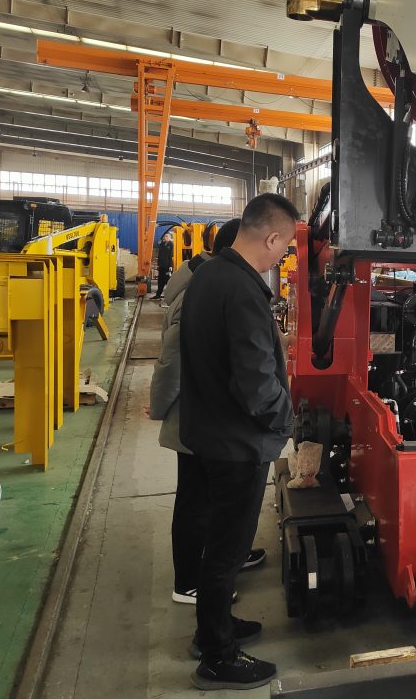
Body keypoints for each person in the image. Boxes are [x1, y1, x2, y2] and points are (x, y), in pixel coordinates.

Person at [179, 193, 299, 691]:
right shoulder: (245, 292)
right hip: (236, 444)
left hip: (206, 433)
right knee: (226, 550)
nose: (283, 258)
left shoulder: (209, 274)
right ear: (270, 237)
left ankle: (214, 628)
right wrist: (287, 419)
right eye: (285, 248)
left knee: (215, 546)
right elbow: (257, 385)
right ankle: (217, 656)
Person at [147, 219, 267, 611]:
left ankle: (228, 554)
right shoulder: (200, 288)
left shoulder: (203, 276)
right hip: (192, 410)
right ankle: (188, 580)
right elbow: (172, 359)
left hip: (206, 408)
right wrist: (161, 406)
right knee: (195, 498)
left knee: (215, 496)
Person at [153, 231, 174, 300]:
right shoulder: (162, 244)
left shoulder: (171, 244)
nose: (165, 237)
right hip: (161, 266)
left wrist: (170, 266)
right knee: (160, 281)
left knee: (168, 281)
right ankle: (158, 295)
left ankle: (171, 296)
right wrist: (158, 265)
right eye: (165, 236)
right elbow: (159, 255)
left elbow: (171, 256)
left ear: (170, 237)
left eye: (167, 236)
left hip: (167, 266)